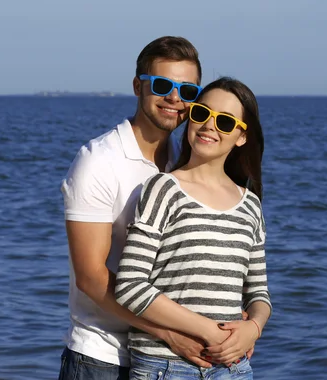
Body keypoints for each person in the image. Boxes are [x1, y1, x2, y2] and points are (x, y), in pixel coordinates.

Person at [58, 36, 211, 380]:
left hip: (167, 360)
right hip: (103, 357)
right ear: (138, 86)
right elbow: (90, 278)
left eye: (188, 91)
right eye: (162, 85)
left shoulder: (185, 161)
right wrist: (169, 332)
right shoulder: (99, 161)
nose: (175, 98)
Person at [115, 77, 271, 379]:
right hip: (165, 367)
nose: (210, 126)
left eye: (225, 122)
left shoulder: (250, 204)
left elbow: (259, 294)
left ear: (241, 137)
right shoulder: (163, 189)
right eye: (202, 113)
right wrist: (208, 330)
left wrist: (253, 328)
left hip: (233, 369)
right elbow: (130, 286)